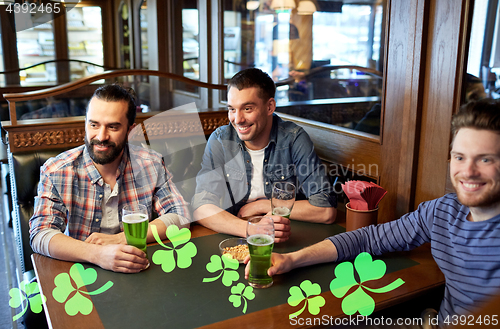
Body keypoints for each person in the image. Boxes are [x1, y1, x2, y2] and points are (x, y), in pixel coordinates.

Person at [246, 98, 500, 323]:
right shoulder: (443, 211)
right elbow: (368, 238)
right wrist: (292, 259)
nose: (468, 171)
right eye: (459, 157)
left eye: (485, 159)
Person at [29, 84, 191, 273]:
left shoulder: (151, 163)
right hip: (82, 274)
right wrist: (97, 254)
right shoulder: (57, 170)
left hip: (138, 268)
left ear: (131, 131)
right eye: (94, 124)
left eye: (113, 127)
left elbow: (181, 215)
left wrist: (121, 239)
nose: (101, 136)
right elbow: (40, 234)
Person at [192, 68, 337, 242]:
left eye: (247, 108)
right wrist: (251, 229)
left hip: (287, 235)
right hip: (235, 234)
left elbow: (326, 210)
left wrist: (263, 205)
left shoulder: (293, 139)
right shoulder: (221, 140)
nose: (237, 119)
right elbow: (200, 207)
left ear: (269, 107)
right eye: (232, 109)